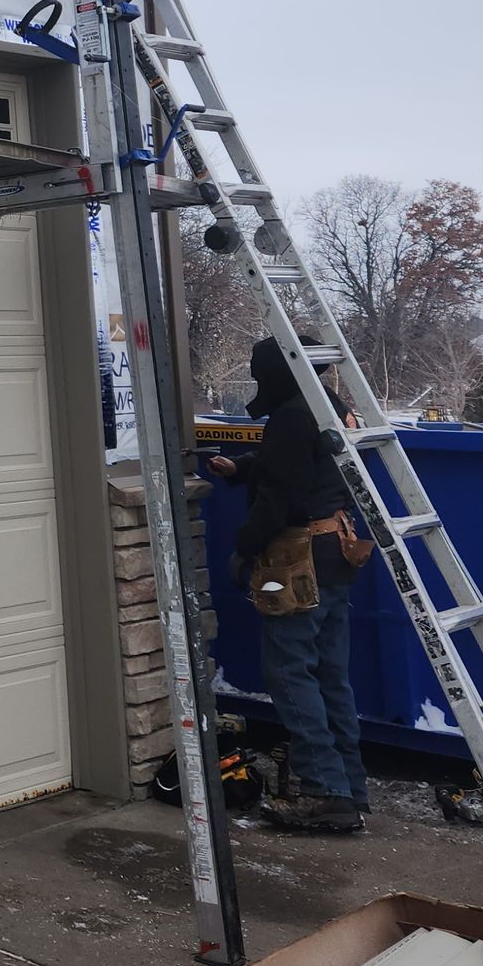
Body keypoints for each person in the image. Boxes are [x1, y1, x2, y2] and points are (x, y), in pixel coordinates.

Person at [207, 337, 372, 833]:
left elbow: (279, 496)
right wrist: (241, 469)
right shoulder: (327, 405)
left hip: (298, 562)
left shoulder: (288, 419)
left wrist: (246, 550)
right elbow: (299, 464)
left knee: (289, 671)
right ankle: (350, 788)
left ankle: (324, 793)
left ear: (278, 373)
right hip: (337, 549)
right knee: (328, 675)